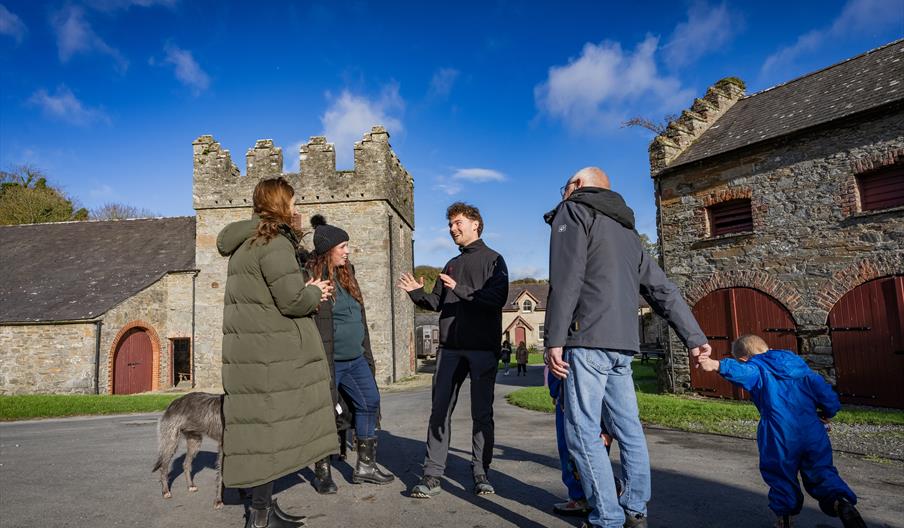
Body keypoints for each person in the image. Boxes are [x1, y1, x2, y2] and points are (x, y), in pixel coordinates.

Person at [544, 167, 711, 528]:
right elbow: (662, 289)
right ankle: (635, 510)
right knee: (629, 429)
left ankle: (607, 517)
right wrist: (695, 338)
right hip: (623, 345)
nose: (563, 193)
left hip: (586, 340)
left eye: (565, 186)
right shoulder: (627, 232)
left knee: (582, 431)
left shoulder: (573, 210)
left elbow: (565, 278)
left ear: (575, 186)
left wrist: (554, 338)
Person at [217, 177, 338, 528]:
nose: (298, 210)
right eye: (294, 202)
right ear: (281, 205)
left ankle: (263, 509)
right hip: (270, 356)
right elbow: (292, 300)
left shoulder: (246, 243)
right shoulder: (274, 243)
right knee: (269, 432)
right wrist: (314, 290)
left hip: (252, 354)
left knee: (261, 433)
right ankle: (260, 518)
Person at [397, 201, 509, 498]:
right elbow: (436, 303)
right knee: (439, 412)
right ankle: (432, 475)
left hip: (482, 349)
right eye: (450, 224)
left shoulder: (494, 260)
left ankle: (482, 474)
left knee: (481, 414)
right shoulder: (450, 264)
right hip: (449, 349)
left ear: (475, 223)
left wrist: (459, 288)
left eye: (458, 222)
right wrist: (416, 295)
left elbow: (495, 299)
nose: (452, 229)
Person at [697, 335, 865, 528]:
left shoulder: (756, 368)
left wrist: (716, 365)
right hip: (813, 431)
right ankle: (840, 502)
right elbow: (828, 397)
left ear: (743, 358)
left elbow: (743, 372)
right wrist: (826, 413)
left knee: (781, 474)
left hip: (779, 433)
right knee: (821, 470)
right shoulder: (803, 370)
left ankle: (785, 518)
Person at [301, 214, 395, 493]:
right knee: (325, 415)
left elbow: (359, 316)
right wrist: (307, 294)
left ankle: (365, 467)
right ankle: (323, 472)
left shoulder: (347, 273)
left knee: (369, 401)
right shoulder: (309, 277)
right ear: (328, 249)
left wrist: (366, 353)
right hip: (327, 362)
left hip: (355, 360)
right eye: (342, 246)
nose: (347, 251)